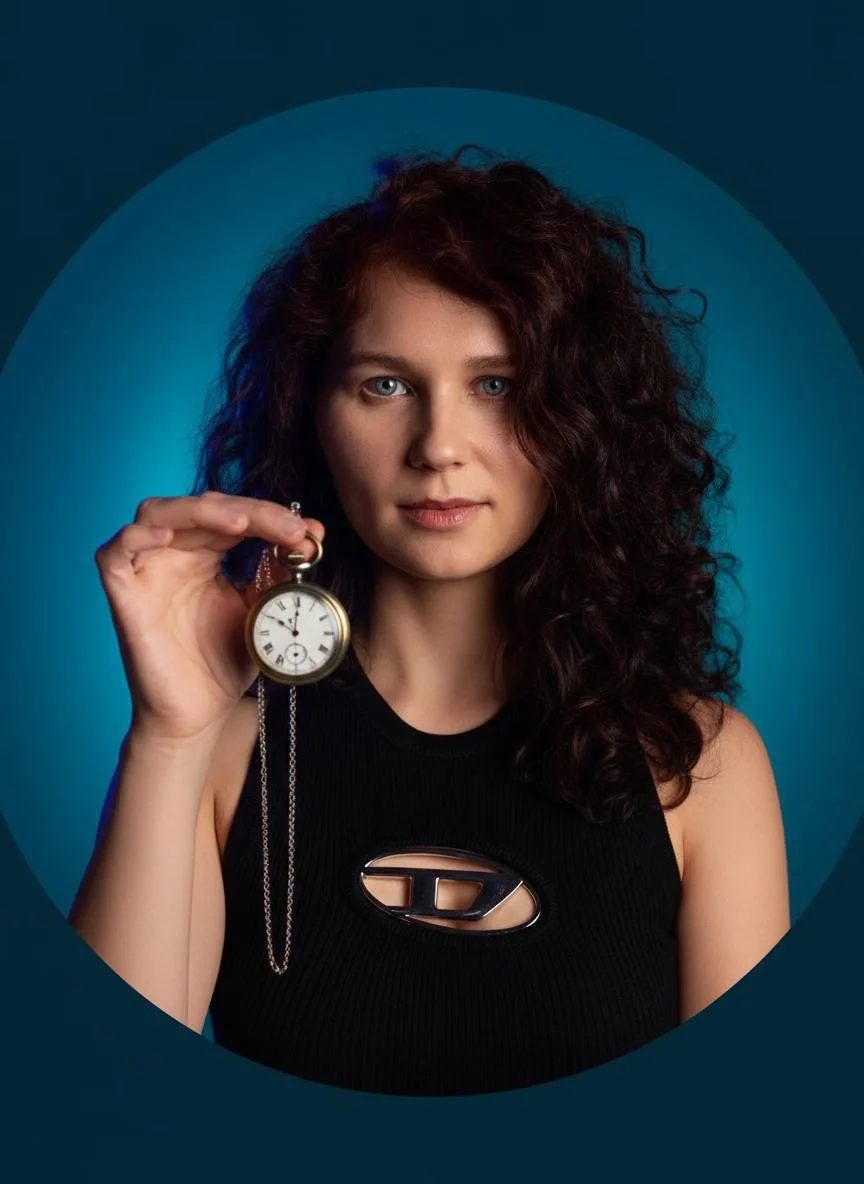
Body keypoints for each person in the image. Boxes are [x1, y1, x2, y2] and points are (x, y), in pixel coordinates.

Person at [69, 144, 790, 1095]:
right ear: (312, 416)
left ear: (580, 419)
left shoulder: (699, 765)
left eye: (496, 385)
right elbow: (105, 1099)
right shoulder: (226, 751)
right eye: (385, 384)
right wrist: (168, 738)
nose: (439, 446)